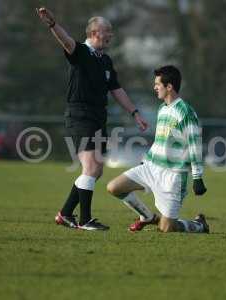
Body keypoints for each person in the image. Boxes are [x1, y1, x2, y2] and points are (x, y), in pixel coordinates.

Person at [36, 7, 148, 231]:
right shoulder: (80, 52)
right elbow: (66, 41)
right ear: (95, 32)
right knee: (89, 167)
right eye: (108, 32)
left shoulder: (105, 60)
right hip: (80, 115)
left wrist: (135, 113)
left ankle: (65, 214)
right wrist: (52, 24)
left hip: (98, 118)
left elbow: (116, 89)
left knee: (96, 171)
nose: (111, 36)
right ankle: (85, 220)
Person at [106, 65, 209, 233]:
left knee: (167, 229)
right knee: (114, 187)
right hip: (151, 168)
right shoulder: (162, 109)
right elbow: (160, 141)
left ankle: (199, 225)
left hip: (173, 176)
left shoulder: (186, 112)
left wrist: (197, 177)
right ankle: (147, 216)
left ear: (169, 87)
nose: (155, 87)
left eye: (158, 84)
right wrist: (145, 160)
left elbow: (195, 146)